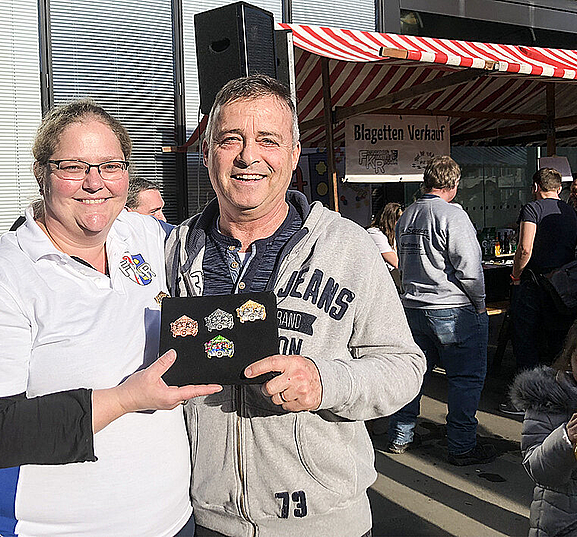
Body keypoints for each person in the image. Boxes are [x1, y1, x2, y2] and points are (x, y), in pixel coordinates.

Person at [0, 100, 221, 537]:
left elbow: (229, 235)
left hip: (171, 521)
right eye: (72, 166)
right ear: (40, 173)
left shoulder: (143, 235)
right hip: (40, 528)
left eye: (110, 166)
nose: (94, 183)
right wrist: (123, 399)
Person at [165, 74, 426, 537]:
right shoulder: (178, 248)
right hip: (205, 518)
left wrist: (326, 381)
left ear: (292, 155)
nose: (249, 156)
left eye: (268, 140)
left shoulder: (348, 247)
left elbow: (405, 367)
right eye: (231, 140)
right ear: (207, 154)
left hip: (323, 521)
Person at [387, 155, 496, 466]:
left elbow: (403, 263)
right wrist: (480, 303)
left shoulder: (407, 214)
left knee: (415, 374)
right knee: (465, 378)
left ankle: (401, 434)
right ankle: (461, 445)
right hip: (452, 308)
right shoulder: (453, 215)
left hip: (414, 308)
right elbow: (470, 268)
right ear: (454, 184)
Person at [509, 315, 577, 537]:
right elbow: (538, 470)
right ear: (569, 358)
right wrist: (565, 440)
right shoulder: (548, 401)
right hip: (561, 525)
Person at [508, 167, 577, 377]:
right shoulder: (572, 213)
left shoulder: (532, 209)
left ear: (536, 187)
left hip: (535, 282)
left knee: (525, 338)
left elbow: (524, 248)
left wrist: (515, 276)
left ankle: (527, 393)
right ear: (558, 188)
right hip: (564, 285)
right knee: (559, 339)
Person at [367, 202, 404, 292]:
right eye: (399, 220)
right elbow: (395, 262)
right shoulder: (374, 233)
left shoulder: (395, 235)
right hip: (379, 283)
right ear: (390, 220)